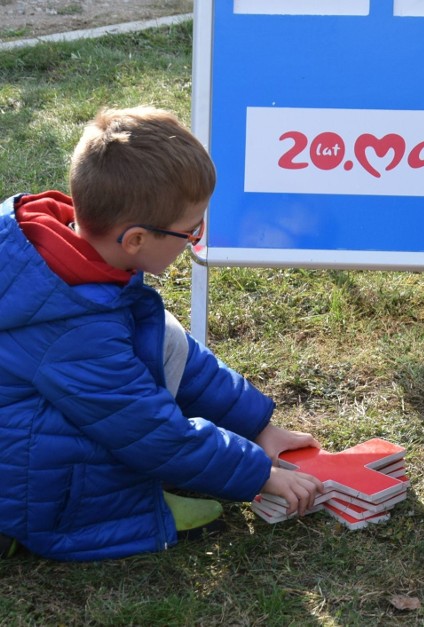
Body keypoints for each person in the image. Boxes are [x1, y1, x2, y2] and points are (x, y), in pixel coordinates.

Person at [0, 106, 324, 561]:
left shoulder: (71, 259)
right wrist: (258, 474)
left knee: (158, 333)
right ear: (134, 239)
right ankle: (95, 510)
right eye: (191, 231)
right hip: (26, 492)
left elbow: (176, 353)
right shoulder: (72, 331)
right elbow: (148, 428)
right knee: (119, 422)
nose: (197, 237)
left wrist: (257, 426)